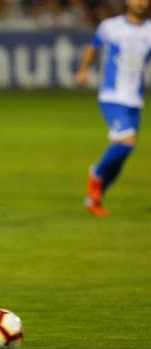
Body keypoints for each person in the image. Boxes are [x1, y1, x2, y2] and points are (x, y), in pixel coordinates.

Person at [76, 0, 151, 217]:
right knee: (127, 142)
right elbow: (93, 47)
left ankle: (94, 197)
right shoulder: (110, 26)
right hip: (112, 96)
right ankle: (96, 173)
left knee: (122, 153)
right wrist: (83, 70)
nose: (141, 3)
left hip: (135, 100)